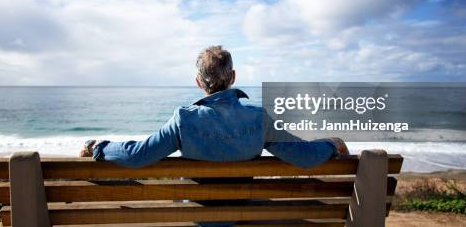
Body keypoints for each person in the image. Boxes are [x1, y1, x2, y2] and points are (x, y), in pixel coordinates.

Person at [80, 45, 348, 165]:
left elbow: (138, 155)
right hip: (242, 213)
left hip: (197, 217)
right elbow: (302, 155)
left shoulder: (183, 119)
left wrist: (98, 147)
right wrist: (331, 143)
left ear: (198, 82)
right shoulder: (258, 118)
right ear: (233, 77)